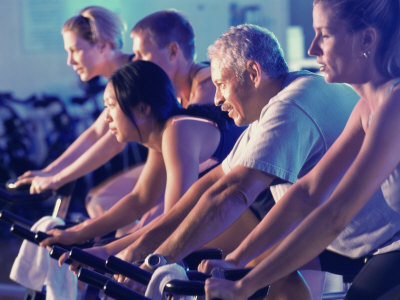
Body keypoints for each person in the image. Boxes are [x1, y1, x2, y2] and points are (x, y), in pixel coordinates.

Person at [87, 24, 359, 298]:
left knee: (246, 270)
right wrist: (135, 250)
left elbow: (231, 193)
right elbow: (213, 184)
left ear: (253, 73)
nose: (216, 99)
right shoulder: (279, 102)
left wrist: (157, 259)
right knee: (257, 272)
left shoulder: (289, 106)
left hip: (362, 242)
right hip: (330, 233)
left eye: (221, 84)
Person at [204, 0, 400, 299]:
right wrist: (236, 260)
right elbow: (307, 193)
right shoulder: (365, 109)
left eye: (325, 34)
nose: (312, 49)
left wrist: (245, 285)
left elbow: (336, 214)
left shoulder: (394, 105)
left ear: (366, 40)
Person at [16, 9, 225, 234]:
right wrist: (50, 172)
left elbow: (114, 141)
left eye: (75, 50)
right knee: (111, 205)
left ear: (103, 46)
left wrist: (57, 179)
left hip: (223, 174)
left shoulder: (187, 95)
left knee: (124, 211)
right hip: (188, 164)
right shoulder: (168, 102)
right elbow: (98, 133)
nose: (136, 61)